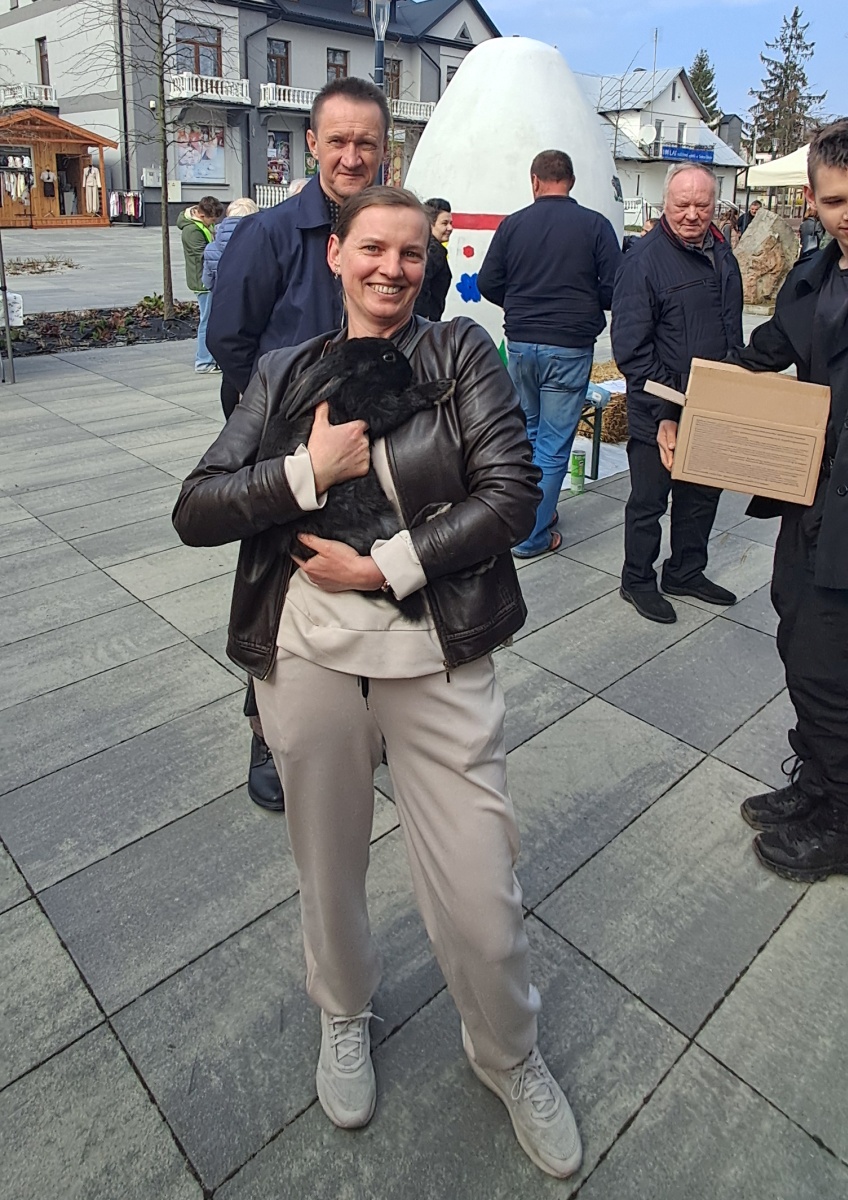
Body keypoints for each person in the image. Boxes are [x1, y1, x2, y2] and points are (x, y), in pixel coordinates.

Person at [172, 186, 584, 1180]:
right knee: (327, 867)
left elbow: (511, 492)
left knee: (480, 890)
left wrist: (383, 567)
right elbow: (197, 507)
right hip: (311, 658)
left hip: (434, 651)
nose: (390, 268)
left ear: (427, 261)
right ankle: (344, 1012)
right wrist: (306, 472)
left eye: (409, 252)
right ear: (337, 256)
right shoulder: (284, 371)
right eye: (371, 248)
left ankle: (508, 1052)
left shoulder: (459, 355)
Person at [206, 76, 390, 813]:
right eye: (338, 140)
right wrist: (278, 436)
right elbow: (231, 341)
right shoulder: (269, 235)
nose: (351, 156)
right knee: (276, 596)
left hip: (372, 455)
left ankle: (356, 718)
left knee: (359, 585)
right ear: (312, 142)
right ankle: (267, 732)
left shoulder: (394, 231)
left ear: (384, 149)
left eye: (366, 142)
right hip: (292, 459)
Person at [721, 120, 848, 883]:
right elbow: (763, 353)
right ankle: (818, 782)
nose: (847, 216)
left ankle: (841, 819)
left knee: (831, 664)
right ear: (812, 198)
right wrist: (689, 404)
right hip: (811, 497)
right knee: (795, 634)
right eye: (834, 201)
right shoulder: (815, 273)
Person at [611, 163, 743, 623]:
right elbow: (631, 350)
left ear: (715, 205)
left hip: (712, 403)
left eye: (702, 205)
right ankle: (637, 578)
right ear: (665, 203)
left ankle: (686, 571)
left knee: (702, 495)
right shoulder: (643, 262)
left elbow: (730, 327)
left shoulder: (721, 251)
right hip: (659, 409)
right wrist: (668, 407)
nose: (692, 214)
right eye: (682, 204)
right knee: (649, 501)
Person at [478, 149, 621, 556]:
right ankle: (531, 535)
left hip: (522, 344)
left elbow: (488, 282)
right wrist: (585, 303)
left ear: (535, 181)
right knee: (555, 443)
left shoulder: (513, 225)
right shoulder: (595, 225)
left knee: (527, 435)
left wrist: (519, 304)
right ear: (571, 182)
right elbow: (616, 287)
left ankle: (530, 514)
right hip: (569, 345)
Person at [201, 198, 260, 418]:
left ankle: (230, 421)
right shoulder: (259, 244)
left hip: (224, 312)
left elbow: (207, 282)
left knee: (229, 373)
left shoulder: (212, 248)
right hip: (254, 313)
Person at [178, 196, 224, 373]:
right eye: (212, 220)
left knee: (210, 320)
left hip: (207, 277)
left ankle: (209, 359)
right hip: (202, 281)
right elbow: (204, 255)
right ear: (202, 215)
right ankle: (204, 362)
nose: (214, 223)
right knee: (206, 321)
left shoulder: (201, 225)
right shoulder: (192, 231)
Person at [414, 197, 453, 321]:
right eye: (444, 223)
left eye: (451, 223)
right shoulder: (434, 251)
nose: (450, 228)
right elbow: (422, 285)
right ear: (430, 225)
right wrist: (424, 318)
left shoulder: (423, 246)